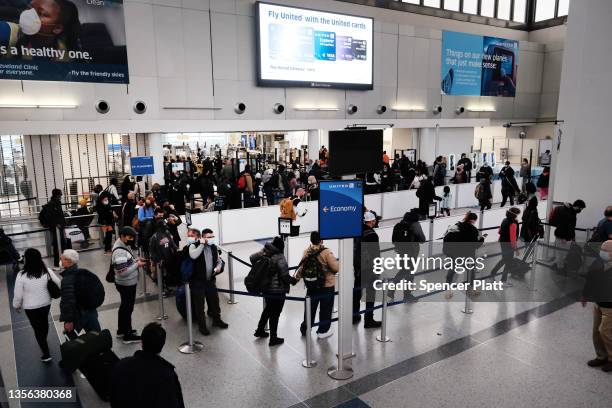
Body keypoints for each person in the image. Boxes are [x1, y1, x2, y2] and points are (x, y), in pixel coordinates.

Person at [111, 322, 185, 408]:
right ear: (162, 346)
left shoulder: (121, 365)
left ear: (141, 343)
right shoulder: (167, 374)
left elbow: (114, 398)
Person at [12, 248, 61, 363]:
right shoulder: (46, 270)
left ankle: (46, 353)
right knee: (44, 323)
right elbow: (58, 282)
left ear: (27, 260)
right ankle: (43, 339)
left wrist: (16, 305)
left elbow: (18, 294)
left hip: (30, 307)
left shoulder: (21, 275)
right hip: (46, 303)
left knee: (37, 328)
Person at [294, 231, 339, 339]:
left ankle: (305, 328)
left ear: (311, 240)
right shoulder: (326, 252)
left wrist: (296, 279)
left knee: (310, 307)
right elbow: (335, 268)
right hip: (326, 285)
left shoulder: (306, 251)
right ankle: (322, 331)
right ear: (321, 240)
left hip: (311, 284)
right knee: (325, 309)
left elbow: (302, 267)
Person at [251, 237, 295, 346]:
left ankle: (260, 330)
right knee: (275, 314)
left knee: (268, 309)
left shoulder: (265, 251)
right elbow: (284, 276)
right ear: (281, 247)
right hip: (277, 291)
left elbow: (252, 258)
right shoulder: (280, 257)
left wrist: (262, 255)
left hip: (266, 288)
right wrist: (294, 280)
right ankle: (273, 338)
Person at [185, 228, 228, 336]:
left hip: (210, 280)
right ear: (203, 237)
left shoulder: (213, 247)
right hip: (197, 282)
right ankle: (202, 326)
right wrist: (201, 244)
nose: (211, 239)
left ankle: (217, 320)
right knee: (200, 305)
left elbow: (218, 260)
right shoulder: (193, 245)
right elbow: (193, 255)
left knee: (215, 302)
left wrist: (218, 267)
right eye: (209, 237)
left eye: (212, 237)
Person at [112, 227, 146, 344]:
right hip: (126, 284)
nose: (131, 240)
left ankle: (122, 330)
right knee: (127, 308)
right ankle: (127, 335)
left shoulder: (121, 244)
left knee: (124, 307)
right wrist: (138, 265)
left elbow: (125, 263)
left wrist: (136, 260)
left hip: (125, 284)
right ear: (122, 235)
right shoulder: (120, 251)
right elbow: (123, 272)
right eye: (129, 237)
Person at [582, 241, 612, 373]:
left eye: (606, 250)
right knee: (596, 332)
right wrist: (585, 295)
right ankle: (601, 356)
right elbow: (590, 279)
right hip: (598, 303)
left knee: (604, 331)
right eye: (602, 249)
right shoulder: (598, 262)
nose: (603, 252)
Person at [59, 250, 102, 337]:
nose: (60, 261)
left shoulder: (67, 280)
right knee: (96, 336)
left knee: (71, 339)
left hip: (77, 315)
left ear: (69, 261)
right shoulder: (84, 272)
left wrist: (68, 320)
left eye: (62, 259)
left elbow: (68, 301)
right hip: (91, 311)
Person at [444, 212, 485, 299]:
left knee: (452, 270)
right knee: (471, 271)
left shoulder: (456, 226)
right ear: (473, 221)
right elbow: (475, 245)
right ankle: (471, 288)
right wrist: (482, 239)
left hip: (455, 254)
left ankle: (448, 290)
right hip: (468, 255)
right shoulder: (473, 230)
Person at [353, 211, 382, 328]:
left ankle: (354, 316)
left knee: (357, 292)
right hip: (369, 269)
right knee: (370, 294)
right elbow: (375, 254)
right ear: (371, 221)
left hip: (358, 268)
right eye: (374, 220)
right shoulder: (372, 235)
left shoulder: (357, 231)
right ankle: (368, 320)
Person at [391, 209, 426, 302]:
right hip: (412, 253)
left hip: (401, 252)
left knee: (403, 271)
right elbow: (422, 239)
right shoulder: (415, 224)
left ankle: (391, 290)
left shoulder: (399, 224)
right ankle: (407, 295)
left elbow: (393, 240)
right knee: (409, 274)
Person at [489, 207, 522, 287]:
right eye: (517, 214)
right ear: (515, 214)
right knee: (508, 262)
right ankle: (503, 281)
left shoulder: (504, 220)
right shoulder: (513, 223)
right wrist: (516, 249)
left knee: (504, 260)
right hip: (509, 245)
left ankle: (492, 274)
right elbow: (513, 238)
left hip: (502, 242)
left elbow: (499, 231)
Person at [551, 200, 587, 273]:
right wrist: (564, 238)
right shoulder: (566, 212)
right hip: (562, 237)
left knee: (562, 253)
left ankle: (559, 266)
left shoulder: (571, 212)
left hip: (565, 237)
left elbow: (571, 227)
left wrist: (572, 237)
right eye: (581, 208)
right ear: (577, 206)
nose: (581, 210)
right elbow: (563, 225)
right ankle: (559, 269)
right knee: (561, 254)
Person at [40, 188, 67, 267]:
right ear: (57, 195)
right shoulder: (52, 204)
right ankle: (57, 263)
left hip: (60, 228)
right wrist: (56, 224)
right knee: (57, 245)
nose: (61, 195)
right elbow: (50, 217)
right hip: (56, 229)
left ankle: (62, 262)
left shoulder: (57, 203)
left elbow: (58, 215)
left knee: (62, 244)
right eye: (60, 194)